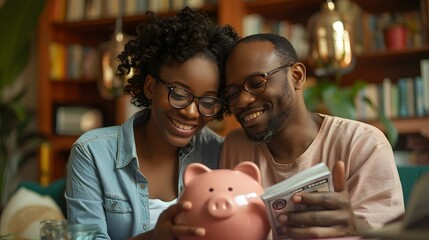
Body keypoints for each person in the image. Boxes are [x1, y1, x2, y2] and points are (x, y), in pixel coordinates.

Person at [65, 7, 238, 240]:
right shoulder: (92, 153)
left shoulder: (220, 153)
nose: (191, 112)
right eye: (178, 94)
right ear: (149, 87)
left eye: (207, 101)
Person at [219, 33, 404, 239]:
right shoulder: (235, 146)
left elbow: (389, 235)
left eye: (256, 83)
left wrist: (357, 228)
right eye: (232, 93)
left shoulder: (363, 143)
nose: (242, 101)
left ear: (296, 76)